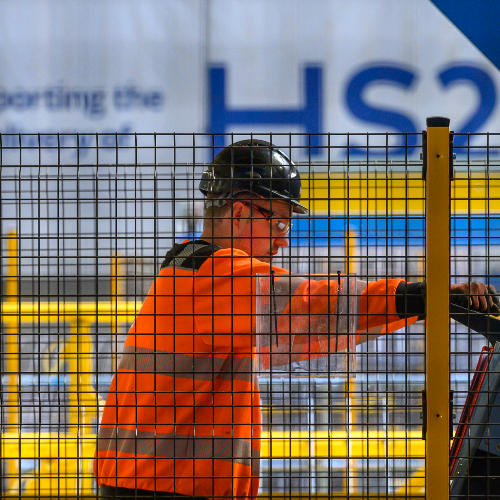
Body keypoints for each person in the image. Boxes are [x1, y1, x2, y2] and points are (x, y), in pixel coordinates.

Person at [94, 139, 498, 500]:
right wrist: (425, 296)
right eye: (279, 221)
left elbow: (306, 326)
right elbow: (315, 305)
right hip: (163, 484)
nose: (284, 239)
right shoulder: (214, 275)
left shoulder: (193, 270)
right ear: (239, 212)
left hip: (156, 479)